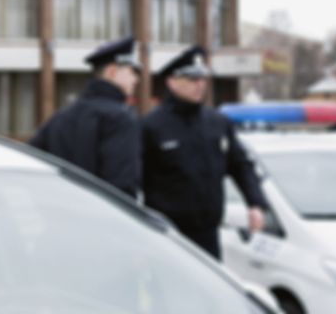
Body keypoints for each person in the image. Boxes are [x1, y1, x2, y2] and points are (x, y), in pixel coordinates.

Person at [141, 45, 268, 259]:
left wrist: (255, 203)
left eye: (202, 79)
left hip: (209, 235)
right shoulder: (151, 126)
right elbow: (135, 179)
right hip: (167, 236)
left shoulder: (217, 122)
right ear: (171, 82)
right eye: (192, 80)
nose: (200, 85)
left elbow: (240, 165)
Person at [30, 36, 141, 198]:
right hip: (102, 218)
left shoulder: (61, 117)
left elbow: (33, 167)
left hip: (61, 213)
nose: (136, 79)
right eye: (132, 71)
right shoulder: (119, 119)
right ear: (112, 72)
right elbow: (122, 187)